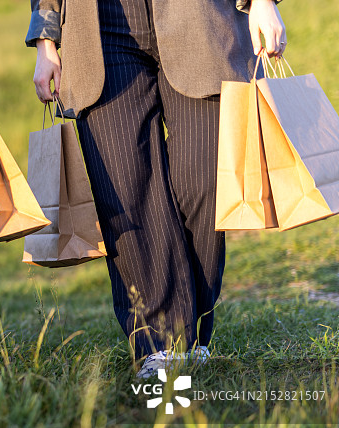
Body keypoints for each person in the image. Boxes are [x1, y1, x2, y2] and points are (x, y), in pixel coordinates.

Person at [28, 0, 286, 377]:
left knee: (206, 181)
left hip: (201, 18)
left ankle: (191, 329)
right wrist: (45, 38)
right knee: (126, 191)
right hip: (98, 27)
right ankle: (161, 343)